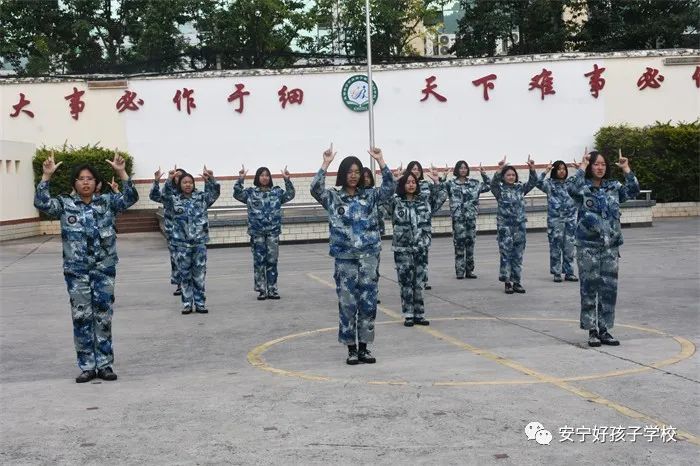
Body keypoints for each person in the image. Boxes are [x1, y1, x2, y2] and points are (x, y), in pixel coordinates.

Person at [34, 152, 138, 383]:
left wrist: (122, 172)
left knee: (103, 316)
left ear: (96, 182)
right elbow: (42, 203)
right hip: (77, 272)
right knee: (81, 317)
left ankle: (105, 365)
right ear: (74, 183)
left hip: (103, 271)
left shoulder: (107, 202)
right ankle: (87, 366)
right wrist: (46, 176)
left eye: (90, 178)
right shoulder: (65, 204)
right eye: (81, 178)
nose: (85, 182)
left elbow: (130, 198)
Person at [310, 144, 395, 365]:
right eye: (349, 172)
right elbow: (315, 189)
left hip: (368, 258)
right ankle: (351, 348)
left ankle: (364, 347)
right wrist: (325, 163)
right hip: (345, 259)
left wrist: (380, 161)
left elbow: (390, 188)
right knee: (347, 304)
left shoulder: (371, 196)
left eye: (357, 172)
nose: (354, 176)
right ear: (342, 174)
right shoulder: (333, 197)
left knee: (368, 303)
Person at [567, 149, 640, 347]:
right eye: (596, 164)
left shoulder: (613, 186)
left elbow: (633, 190)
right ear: (590, 166)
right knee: (589, 288)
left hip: (610, 247)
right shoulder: (583, 187)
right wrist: (582, 166)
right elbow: (571, 188)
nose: (600, 168)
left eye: (603, 164)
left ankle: (605, 329)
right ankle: (592, 330)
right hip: (587, 247)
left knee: (608, 289)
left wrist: (626, 168)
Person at [386, 172, 447, 326]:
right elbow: (383, 200)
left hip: (421, 248)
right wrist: (392, 182)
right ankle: (408, 314)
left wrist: (437, 183)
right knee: (405, 282)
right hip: (402, 249)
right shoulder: (396, 202)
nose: (411, 185)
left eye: (414, 182)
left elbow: (441, 198)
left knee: (419, 282)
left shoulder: (424, 201)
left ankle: (419, 314)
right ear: (402, 185)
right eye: (408, 182)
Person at [162, 166, 220, 314]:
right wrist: (169, 179)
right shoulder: (174, 199)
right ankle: (187, 303)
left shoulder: (201, 198)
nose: (188, 185)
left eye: (190, 182)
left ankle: (200, 303)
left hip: (199, 243)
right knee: (185, 275)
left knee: (199, 275)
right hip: (181, 244)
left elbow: (214, 193)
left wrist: (211, 179)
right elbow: (164, 195)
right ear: (179, 184)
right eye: (184, 182)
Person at [234, 165, 295, 300]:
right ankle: (262, 289)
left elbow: (290, 195)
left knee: (272, 261)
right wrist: (240, 179)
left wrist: (287, 180)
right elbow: (237, 194)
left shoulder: (277, 192)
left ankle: (272, 289)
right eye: (262, 175)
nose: (265, 177)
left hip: (272, 232)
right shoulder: (251, 193)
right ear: (257, 177)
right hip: (257, 233)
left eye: (267, 175)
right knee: (259, 261)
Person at [490, 156, 538, 294]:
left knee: (518, 255)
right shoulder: (500, 190)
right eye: (508, 175)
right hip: (505, 228)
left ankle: (517, 282)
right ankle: (507, 283)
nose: (511, 177)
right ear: (503, 177)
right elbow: (493, 184)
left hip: (519, 228)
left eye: (513, 175)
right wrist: (499, 169)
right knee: (506, 255)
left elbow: (533, 182)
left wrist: (532, 169)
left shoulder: (520, 188)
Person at [445, 160, 491, 279]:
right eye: (461, 168)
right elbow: (440, 188)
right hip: (458, 219)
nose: (463, 170)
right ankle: (460, 271)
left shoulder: (474, 183)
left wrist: (484, 174)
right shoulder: (451, 184)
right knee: (459, 245)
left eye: (465, 168)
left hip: (470, 219)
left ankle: (469, 271)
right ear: (457, 170)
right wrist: (443, 176)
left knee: (470, 245)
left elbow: (489, 186)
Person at [537, 160, 578, 283]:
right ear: (555, 170)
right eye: (559, 169)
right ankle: (557, 273)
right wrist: (546, 170)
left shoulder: (570, 183)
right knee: (555, 247)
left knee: (569, 247)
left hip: (570, 220)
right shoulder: (549, 184)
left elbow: (583, 180)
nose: (562, 171)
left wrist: (579, 168)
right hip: (555, 221)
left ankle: (569, 272)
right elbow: (537, 182)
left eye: (564, 169)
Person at [150, 166, 187, 295]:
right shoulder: (168, 193)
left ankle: (189, 283)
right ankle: (180, 284)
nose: (177, 178)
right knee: (176, 258)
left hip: (188, 232)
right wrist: (157, 181)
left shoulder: (189, 193)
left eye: (180, 176)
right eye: (175, 176)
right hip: (173, 233)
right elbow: (154, 196)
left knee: (189, 259)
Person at [404, 161, 441, 290]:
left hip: (423, 225)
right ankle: (410, 280)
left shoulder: (426, 185)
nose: (416, 171)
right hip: (408, 226)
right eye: (413, 169)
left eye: (418, 169)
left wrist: (437, 182)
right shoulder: (404, 185)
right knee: (408, 256)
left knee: (423, 255)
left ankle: (423, 280)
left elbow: (436, 198)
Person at [362, 167, 388, 304]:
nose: (366, 179)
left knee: (373, 270)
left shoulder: (375, 194)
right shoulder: (355, 195)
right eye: (363, 176)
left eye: (368, 176)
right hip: (359, 241)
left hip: (374, 239)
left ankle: (373, 294)